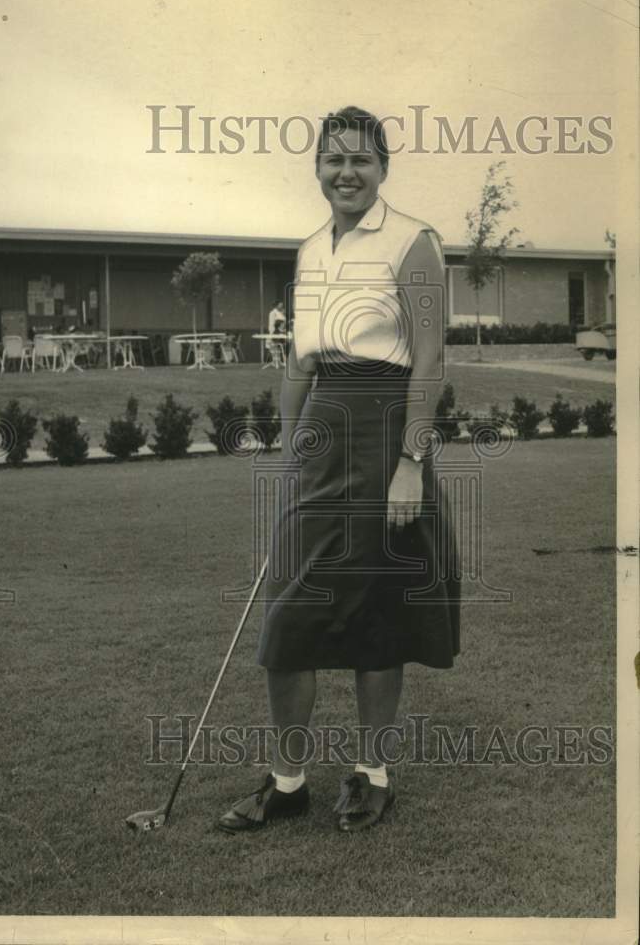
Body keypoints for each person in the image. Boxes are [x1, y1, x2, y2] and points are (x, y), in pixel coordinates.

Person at [217, 106, 460, 835]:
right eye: (333, 161)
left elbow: (429, 361)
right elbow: (298, 363)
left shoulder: (413, 242)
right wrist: (289, 450)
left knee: (377, 613)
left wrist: (410, 463)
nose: (345, 172)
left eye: (359, 160)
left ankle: (372, 773)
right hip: (323, 435)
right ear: (316, 169)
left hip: (385, 431)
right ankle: (288, 781)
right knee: (290, 612)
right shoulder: (309, 250)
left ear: (382, 167)